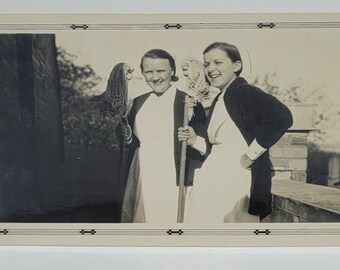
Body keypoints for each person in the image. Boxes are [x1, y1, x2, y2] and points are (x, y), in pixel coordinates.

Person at [178, 42, 293, 224]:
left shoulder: (243, 91)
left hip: (234, 178)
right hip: (215, 175)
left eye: (218, 62)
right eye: (207, 64)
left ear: (236, 66)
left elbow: (282, 116)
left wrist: (250, 155)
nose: (211, 69)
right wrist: (194, 140)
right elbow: (220, 144)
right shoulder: (221, 97)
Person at [120, 49, 206, 224]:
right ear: (143, 73)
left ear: (172, 71)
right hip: (142, 171)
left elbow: (205, 142)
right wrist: (128, 137)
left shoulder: (189, 102)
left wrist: (193, 139)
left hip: (171, 175)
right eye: (149, 72)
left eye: (161, 71)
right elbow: (132, 140)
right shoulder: (137, 103)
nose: (155, 77)